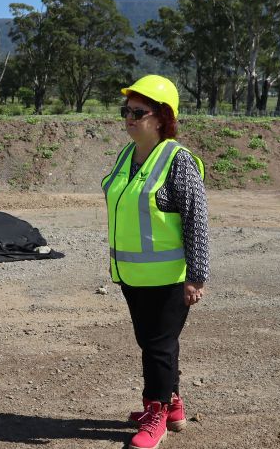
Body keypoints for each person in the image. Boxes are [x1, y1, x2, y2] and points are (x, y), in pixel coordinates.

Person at [102, 74, 209, 449]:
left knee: (157, 347)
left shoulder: (178, 162)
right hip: (132, 274)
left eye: (138, 112)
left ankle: (156, 414)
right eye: (125, 111)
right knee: (156, 343)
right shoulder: (126, 155)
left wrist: (196, 277)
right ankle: (173, 405)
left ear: (162, 117)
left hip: (168, 277)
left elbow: (196, 220)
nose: (129, 118)